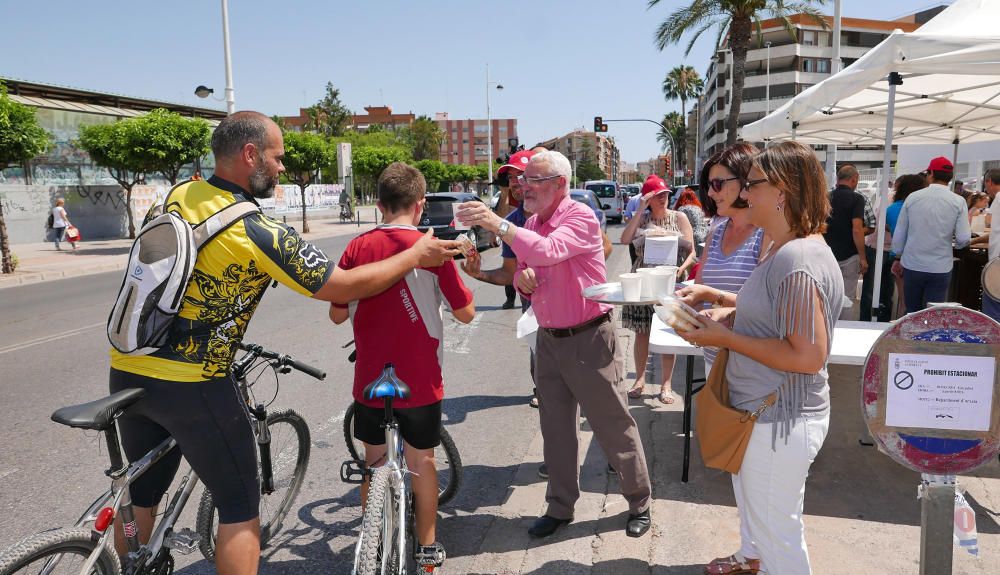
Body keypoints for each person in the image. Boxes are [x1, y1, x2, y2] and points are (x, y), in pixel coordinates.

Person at [107, 111, 459, 575]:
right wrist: (414, 253)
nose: (281, 169)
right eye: (277, 158)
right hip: (192, 383)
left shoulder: (177, 196)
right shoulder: (257, 230)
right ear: (249, 154)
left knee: (141, 493)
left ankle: (131, 564)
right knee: (238, 509)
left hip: (129, 365)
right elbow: (343, 287)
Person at [454, 150, 652, 540]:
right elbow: (531, 264)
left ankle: (639, 501)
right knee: (556, 429)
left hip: (589, 337)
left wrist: (497, 224)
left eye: (534, 179)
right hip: (549, 339)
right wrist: (523, 276)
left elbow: (548, 251)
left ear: (560, 184)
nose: (524, 186)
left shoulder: (579, 216)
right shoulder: (533, 222)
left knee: (612, 425)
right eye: (524, 179)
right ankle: (560, 506)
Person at [677, 141, 843, 575]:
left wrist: (723, 337)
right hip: (772, 413)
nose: (745, 194)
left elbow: (807, 354)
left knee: (778, 538)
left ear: (782, 191)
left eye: (752, 184)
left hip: (778, 417)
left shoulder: (795, 258)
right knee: (770, 531)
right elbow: (777, 316)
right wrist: (727, 306)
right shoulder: (790, 248)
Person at [330, 162, 474, 568]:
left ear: (378, 205)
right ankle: (427, 546)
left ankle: (373, 542)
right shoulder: (432, 250)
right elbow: (465, 313)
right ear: (420, 204)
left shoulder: (357, 248)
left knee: (374, 462)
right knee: (421, 461)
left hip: (371, 377)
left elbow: (337, 315)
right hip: (420, 378)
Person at [676, 143, 764, 378]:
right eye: (709, 186)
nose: (711, 193)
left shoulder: (767, 235)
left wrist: (706, 294)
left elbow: (769, 307)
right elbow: (699, 290)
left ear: (747, 180)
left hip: (753, 366)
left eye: (718, 184)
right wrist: (676, 303)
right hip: (714, 360)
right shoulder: (716, 232)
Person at [620, 174, 696, 403]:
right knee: (641, 332)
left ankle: (666, 384)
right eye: (657, 195)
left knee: (667, 333)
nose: (663, 198)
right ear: (648, 198)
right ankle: (639, 380)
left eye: (665, 194)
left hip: (668, 282)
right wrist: (640, 209)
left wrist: (681, 269)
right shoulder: (641, 220)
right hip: (643, 283)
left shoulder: (679, 217)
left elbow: (692, 252)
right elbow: (624, 239)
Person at [891, 157, 971, 314]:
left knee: (912, 312)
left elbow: (899, 236)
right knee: (933, 315)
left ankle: (910, 339)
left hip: (913, 264)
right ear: (950, 177)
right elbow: (963, 238)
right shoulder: (958, 201)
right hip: (940, 266)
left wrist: (898, 256)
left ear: (931, 173)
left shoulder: (912, 198)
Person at [823, 165, 868, 319]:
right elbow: (857, 229)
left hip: (827, 254)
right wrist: (863, 257)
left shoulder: (826, 197)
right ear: (854, 179)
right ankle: (845, 330)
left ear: (838, 178)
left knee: (827, 296)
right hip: (850, 255)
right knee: (847, 298)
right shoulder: (857, 199)